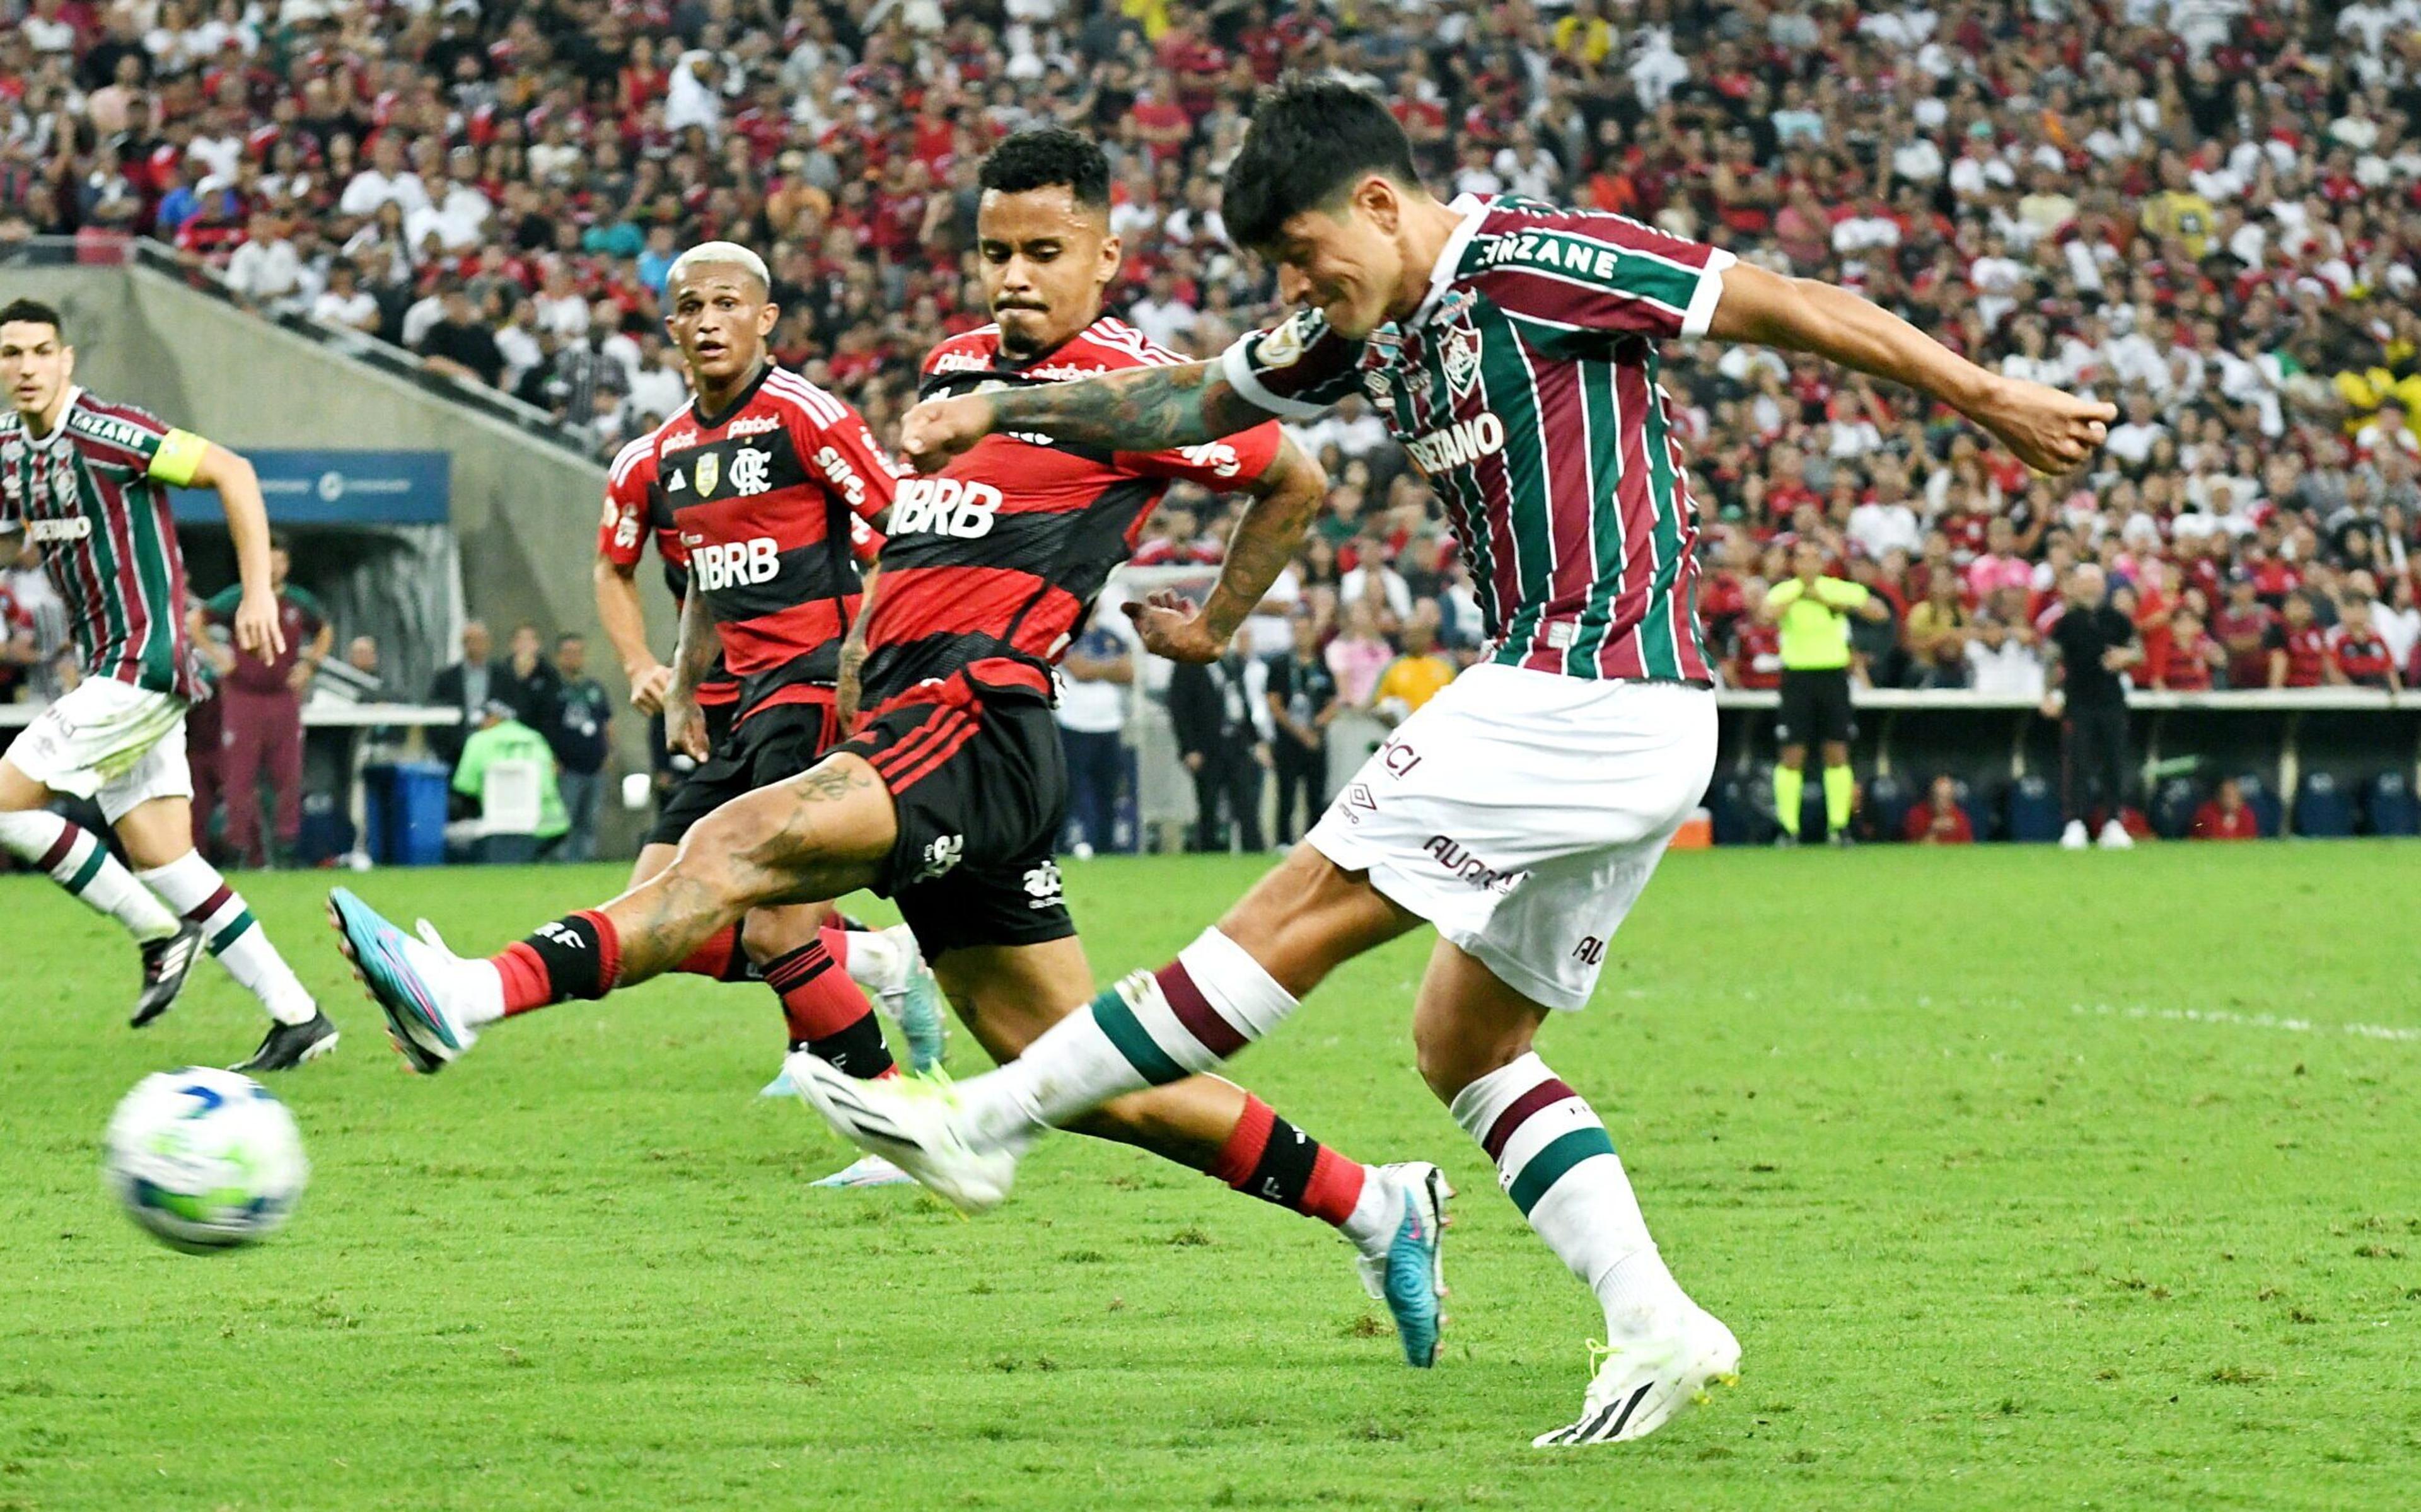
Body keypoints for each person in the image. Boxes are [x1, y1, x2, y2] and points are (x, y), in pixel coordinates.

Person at [828, 80, 2108, 1445]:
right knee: (1466, 1037)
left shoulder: (1540, 263)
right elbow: (1188, 396)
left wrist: (1983, 394)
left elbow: (1783, 299)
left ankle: (990, 1121)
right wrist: (1007, 415)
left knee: (1299, 911)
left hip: (1578, 686)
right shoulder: (1360, 320)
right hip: (1619, 712)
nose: (1298, 289)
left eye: (1307, 258)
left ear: (1380, 205)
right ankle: (1658, 1320)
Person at [328, 132, 1444, 1361]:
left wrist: (1212, 629)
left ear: (1107, 258)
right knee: (1083, 1075)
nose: (1014, 275)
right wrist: (850, 657)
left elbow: (1290, 473)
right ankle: (1374, 1199)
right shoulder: (958, 367)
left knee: (726, 845)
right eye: (995, 251)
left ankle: (470, 993)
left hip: (977, 716)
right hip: (915, 714)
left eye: (1046, 252)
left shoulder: (1133, 387)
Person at [589, 282, 946, 1116]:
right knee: (655, 916)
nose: (709, 321)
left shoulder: (804, 417)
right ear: (670, 323)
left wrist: (864, 654)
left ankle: (891, 1104)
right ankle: (879, 964)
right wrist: (667, 678)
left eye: (727, 303)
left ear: (764, 317)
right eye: (691, 307)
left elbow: (898, 528)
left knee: (772, 924)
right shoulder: (659, 453)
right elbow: (685, 578)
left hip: (814, 688)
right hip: (731, 702)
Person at [0, 298, 335, 1068]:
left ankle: (156, 933)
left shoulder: (106, 432)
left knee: (7, 801)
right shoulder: (16, 454)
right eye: (11, 354)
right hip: (117, 669)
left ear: (66, 360)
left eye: (40, 351)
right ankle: (298, 1015)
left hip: (141, 664)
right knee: (166, 858)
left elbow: (232, 470)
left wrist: (255, 593)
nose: (25, 367)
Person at [204, 531, 329, 867]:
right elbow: (195, 621)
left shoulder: (298, 601)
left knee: (286, 775)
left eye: (279, 560)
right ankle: (238, 852)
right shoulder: (239, 597)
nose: (273, 567)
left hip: (283, 697)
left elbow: (324, 630)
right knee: (239, 777)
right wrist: (219, 657)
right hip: (244, 695)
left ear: (287, 565)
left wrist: (309, 665)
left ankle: (285, 853)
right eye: (268, 560)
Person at [1766, 539, 1890, 846]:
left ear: (1822, 563)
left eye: (1814, 559)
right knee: (1792, 753)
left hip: (1833, 676)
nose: (1809, 565)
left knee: (1837, 751)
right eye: (1803, 559)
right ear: (1794, 565)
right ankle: (1788, 828)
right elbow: (1766, 614)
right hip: (1797, 677)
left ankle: (1839, 826)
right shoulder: (1786, 591)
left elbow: (1879, 612)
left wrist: (1832, 601)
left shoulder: (1835, 588)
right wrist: (1800, 596)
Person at [2043, 563, 2140, 850]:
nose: (2090, 588)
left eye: (2094, 582)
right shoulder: (2066, 623)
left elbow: (2138, 652)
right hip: (2078, 701)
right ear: (2075, 586)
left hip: (2111, 701)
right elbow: (2051, 660)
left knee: (2114, 761)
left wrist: (2125, 656)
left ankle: (2112, 821)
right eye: (2084, 582)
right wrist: (2049, 694)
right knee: (2077, 762)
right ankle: (2075, 823)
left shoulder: (2118, 620)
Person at [1168, 637, 1270, 853]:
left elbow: (1243, 705)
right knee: (1209, 804)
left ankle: (1255, 851)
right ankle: (1209, 851)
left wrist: (1256, 740)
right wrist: (1189, 748)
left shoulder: (1230, 662)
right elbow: (1179, 709)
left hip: (1236, 742)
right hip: (1207, 746)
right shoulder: (1188, 664)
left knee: (1246, 802)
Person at [1056, 601, 1134, 858]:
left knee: (1108, 789)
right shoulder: (1066, 636)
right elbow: (1079, 670)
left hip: (1109, 724)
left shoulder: (1111, 636)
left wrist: (1096, 669)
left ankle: (1106, 846)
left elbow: (1128, 672)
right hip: (1075, 722)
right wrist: (1108, 668)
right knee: (1072, 792)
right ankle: (1070, 843)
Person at [451, 698, 566, 862]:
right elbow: (553, 774)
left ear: (495, 718)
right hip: (552, 823)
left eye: (483, 720)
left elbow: (465, 787)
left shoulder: (479, 741)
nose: (480, 725)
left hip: (501, 826)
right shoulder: (535, 738)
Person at [1264, 607, 1340, 843]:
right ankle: (1283, 841)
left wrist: (1318, 725)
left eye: (1305, 630)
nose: (1301, 636)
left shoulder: (1321, 664)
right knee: (1286, 793)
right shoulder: (1280, 665)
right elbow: (1274, 704)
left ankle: (1313, 842)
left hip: (1316, 739)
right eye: (1296, 631)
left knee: (1315, 794)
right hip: (1289, 739)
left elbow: (1334, 700)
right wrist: (1298, 732)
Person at [546, 632, 610, 862]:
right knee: (567, 817)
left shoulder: (594, 689)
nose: (574, 658)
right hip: (566, 766)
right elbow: (547, 727)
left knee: (590, 818)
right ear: (559, 657)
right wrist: (552, 758)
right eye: (568, 654)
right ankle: (563, 859)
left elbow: (607, 722)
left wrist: (610, 753)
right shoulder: (553, 690)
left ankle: (585, 858)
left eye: (578, 653)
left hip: (594, 765)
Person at [1370, 601, 1454, 724]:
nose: (1411, 639)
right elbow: (1378, 705)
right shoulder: (1392, 667)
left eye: (1417, 634)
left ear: (1429, 636)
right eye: (1407, 634)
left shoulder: (1445, 666)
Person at [426, 619, 495, 768]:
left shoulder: (503, 676)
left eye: (480, 640)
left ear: (488, 643)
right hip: (456, 752)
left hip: (494, 749)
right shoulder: (446, 678)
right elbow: (434, 712)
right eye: (470, 640)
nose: (476, 645)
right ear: (463, 644)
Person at [1901, 775, 1975, 845]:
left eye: (1947, 798)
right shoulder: (1916, 815)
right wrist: (1933, 831)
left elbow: (1968, 849)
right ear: (1930, 797)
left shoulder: (1960, 818)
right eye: (1938, 797)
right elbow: (1913, 852)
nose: (1942, 803)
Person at [2191, 776, 2260, 840]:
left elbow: (2251, 839)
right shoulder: (2205, 814)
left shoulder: (2247, 815)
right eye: (2226, 796)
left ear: (2240, 798)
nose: (2229, 800)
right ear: (2218, 797)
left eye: (2234, 796)